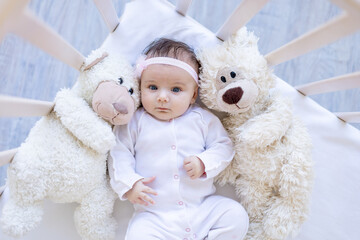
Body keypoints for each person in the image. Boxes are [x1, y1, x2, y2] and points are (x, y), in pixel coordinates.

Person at [108, 38, 249, 240]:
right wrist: (130, 184)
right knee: (139, 235)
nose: (163, 97)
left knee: (235, 215)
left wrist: (204, 162)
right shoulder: (134, 122)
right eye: (153, 87)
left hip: (201, 209)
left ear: (193, 95)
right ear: (140, 87)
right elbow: (119, 153)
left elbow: (224, 147)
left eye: (175, 90)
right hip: (155, 217)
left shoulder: (202, 119)